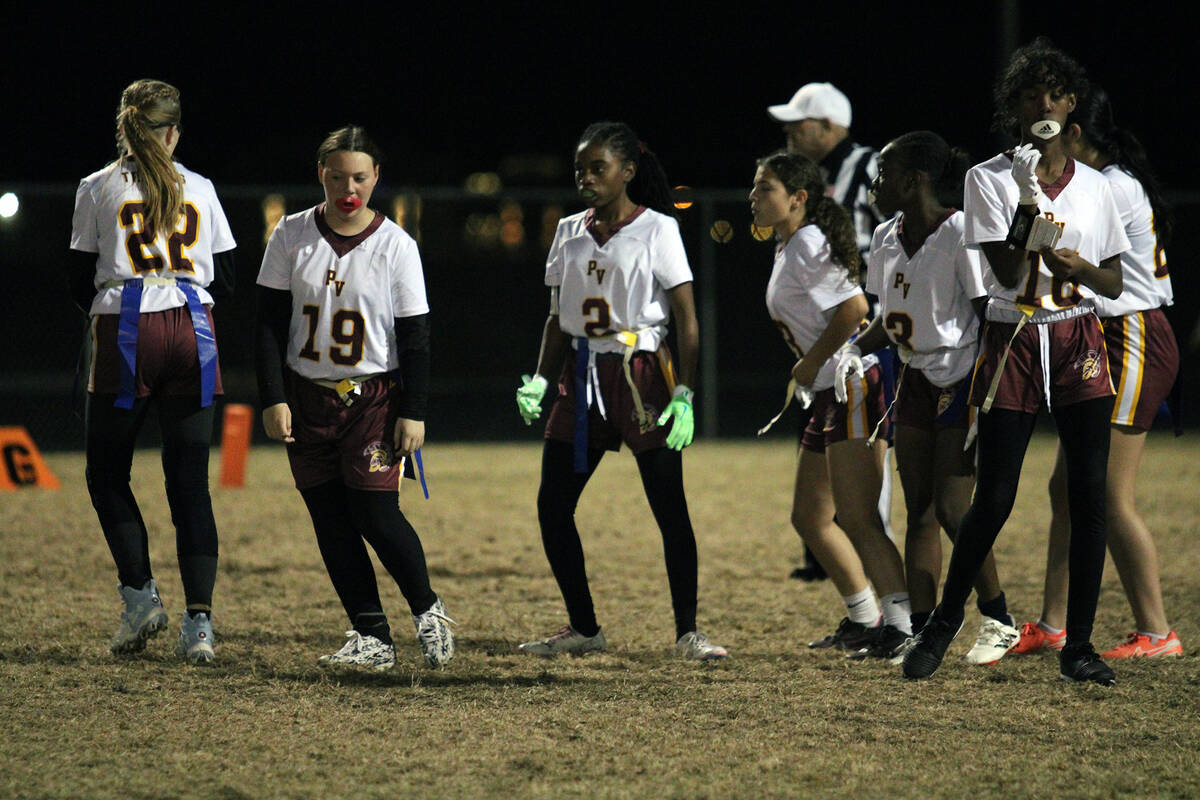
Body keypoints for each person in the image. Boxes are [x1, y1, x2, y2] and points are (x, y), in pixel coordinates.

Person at [902, 39, 1128, 685]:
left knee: (1089, 495)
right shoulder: (989, 178)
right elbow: (1003, 270)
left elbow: (1112, 282)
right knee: (993, 497)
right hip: (1016, 339)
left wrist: (1079, 266)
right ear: (1014, 107)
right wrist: (1028, 205)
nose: (1044, 104)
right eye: (1031, 95)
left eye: (1055, 93)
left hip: (1077, 335)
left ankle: (1078, 648)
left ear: (1072, 103)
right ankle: (943, 629)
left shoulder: (1096, 187)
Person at [514, 121, 726, 661]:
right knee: (553, 507)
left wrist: (685, 395)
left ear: (627, 171)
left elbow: (687, 319)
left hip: (641, 377)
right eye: (580, 168)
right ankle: (584, 629)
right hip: (581, 378)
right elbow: (557, 319)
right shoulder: (567, 230)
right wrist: (541, 378)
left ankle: (688, 634)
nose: (585, 177)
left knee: (669, 507)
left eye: (597, 168)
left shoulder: (657, 228)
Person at [255, 125, 453, 671]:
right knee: (329, 520)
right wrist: (273, 397)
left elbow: (416, 338)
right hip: (307, 396)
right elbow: (269, 325)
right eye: (338, 176)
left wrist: (414, 411)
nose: (349, 187)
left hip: (372, 398)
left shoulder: (396, 246)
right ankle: (372, 635)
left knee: (375, 512)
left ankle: (427, 609)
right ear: (321, 174)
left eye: (360, 177)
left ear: (376, 178)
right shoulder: (290, 235)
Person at [68, 79, 234, 665]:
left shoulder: (99, 186)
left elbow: (78, 278)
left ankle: (141, 597)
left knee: (107, 474)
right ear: (173, 132)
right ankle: (201, 625)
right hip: (194, 327)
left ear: (124, 127)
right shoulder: (204, 187)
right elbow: (227, 275)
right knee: (189, 481)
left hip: (130, 327)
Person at [1014, 87, 1182, 660]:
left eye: (1053, 125)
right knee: (1067, 486)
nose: (1043, 136)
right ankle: (1053, 624)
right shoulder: (1106, 180)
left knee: (1107, 491)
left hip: (1131, 332)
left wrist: (1014, 203)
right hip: (1109, 333)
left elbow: (1056, 244)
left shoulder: (1107, 186)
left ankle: (1158, 632)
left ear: (1076, 132)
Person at [841, 131, 1018, 665]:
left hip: (961, 374)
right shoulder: (885, 236)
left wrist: (992, 383)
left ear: (915, 180)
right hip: (913, 377)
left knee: (951, 506)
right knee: (918, 509)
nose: (875, 184)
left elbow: (992, 312)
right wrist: (853, 349)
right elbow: (889, 317)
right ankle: (923, 630)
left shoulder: (961, 231)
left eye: (884, 172)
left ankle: (998, 617)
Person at [749, 150, 910, 659]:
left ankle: (903, 627)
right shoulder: (791, 243)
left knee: (859, 517)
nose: (753, 197)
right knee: (811, 516)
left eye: (764, 188)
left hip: (852, 384)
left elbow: (856, 309)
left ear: (797, 198)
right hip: (829, 392)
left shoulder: (807, 243)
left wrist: (810, 362)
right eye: (755, 187)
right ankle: (866, 617)